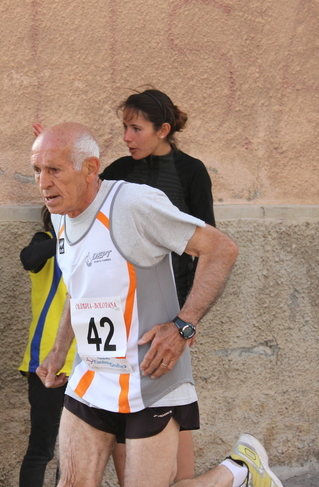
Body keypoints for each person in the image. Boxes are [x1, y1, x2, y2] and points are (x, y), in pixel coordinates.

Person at [32, 123, 282, 487]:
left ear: (90, 168)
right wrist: (59, 351)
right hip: (92, 376)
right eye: (37, 170)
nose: (43, 183)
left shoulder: (133, 204)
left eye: (54, 169)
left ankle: (238, 472)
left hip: (150, 376)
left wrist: (184, 324)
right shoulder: (59, 217)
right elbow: (80, 288)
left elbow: (221, 249)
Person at [99, 88, 215, 483]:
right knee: (122, 419)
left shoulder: (191, 172)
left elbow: (207, 247)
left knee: (169, 411)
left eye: (136, 128)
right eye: (124, 128)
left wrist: (186, 319)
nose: (127, 137)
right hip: (118, 313)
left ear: (163, 130)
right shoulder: (116, 172)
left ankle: (233, 474)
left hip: (167, 316)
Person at [18, 207, 77, 487]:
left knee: (73, 453)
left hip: (88, 364)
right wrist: (66, 237)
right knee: (42, 448)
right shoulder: (44, 241)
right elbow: (28, 259)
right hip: (46, 364)